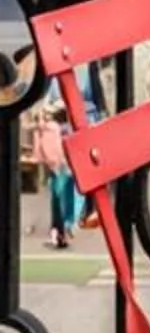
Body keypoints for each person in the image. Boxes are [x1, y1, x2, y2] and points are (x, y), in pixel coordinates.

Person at [34, 102, 80, 250]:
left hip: (61, 166)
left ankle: (61, 229)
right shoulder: (55, 128)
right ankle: (63, 229)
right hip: (63, 166)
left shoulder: (54, 128)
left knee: (59, 198)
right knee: (62, 198)